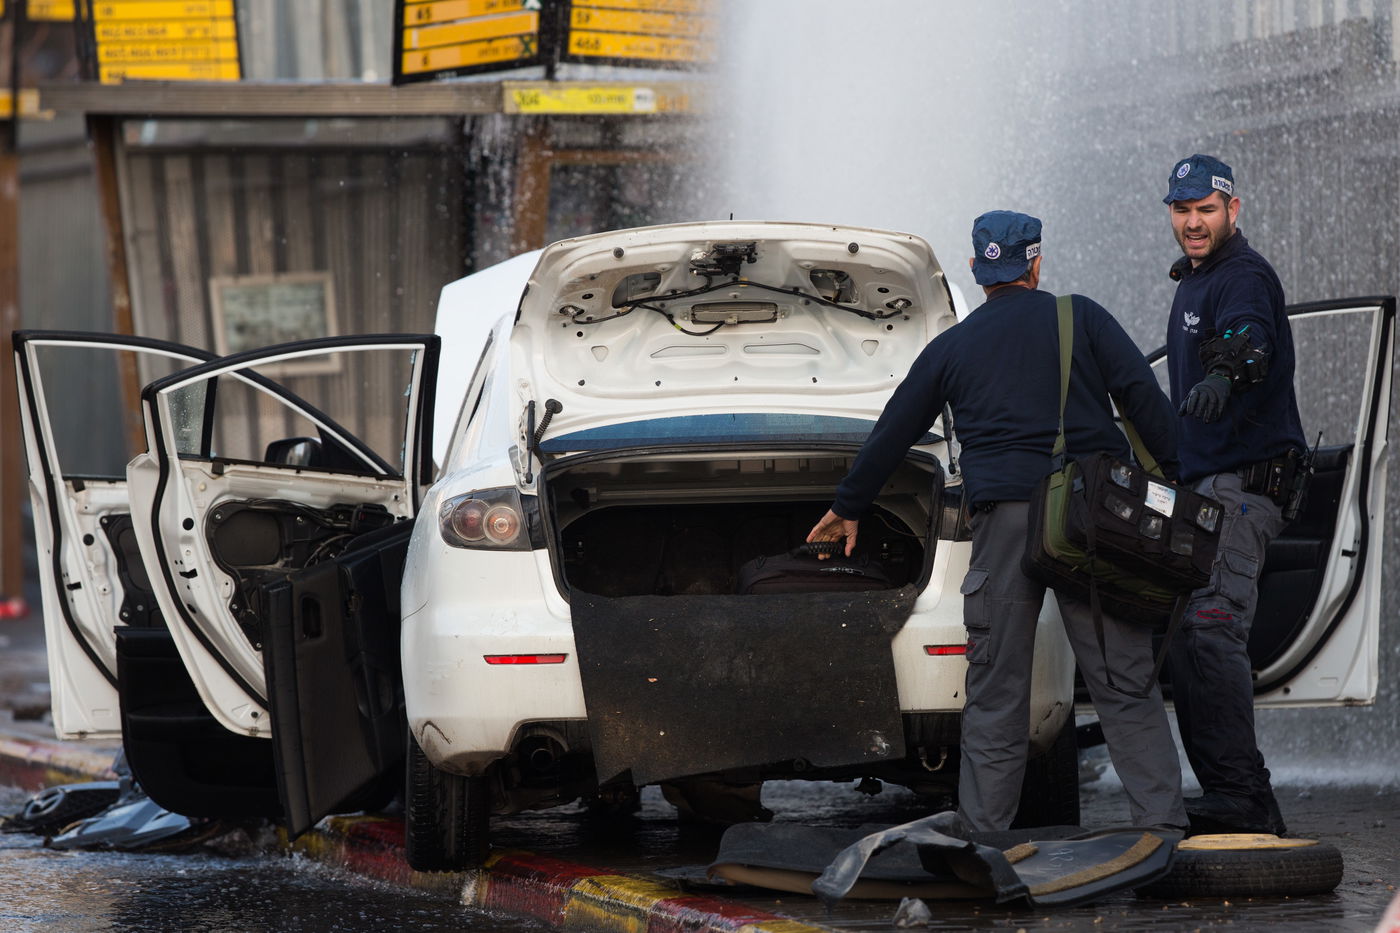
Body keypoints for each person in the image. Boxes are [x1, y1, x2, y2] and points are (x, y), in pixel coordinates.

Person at [807, 211, 1187, 833]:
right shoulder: (1080, 316)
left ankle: (983, 836)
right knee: (1121, 678)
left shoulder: (952, 346)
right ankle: (1161, 829)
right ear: (1036, 264)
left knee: (995, 690)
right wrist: (1176, 480)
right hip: (1088, 520)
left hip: (1003, 523)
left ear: (977, 272)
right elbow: (1145, 400)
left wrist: (848, 506)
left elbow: (893, 432)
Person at [1162, 154, 1305, 836]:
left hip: (1242, 490)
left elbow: (1251, 335)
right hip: (1206, 492)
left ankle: (1244, 797)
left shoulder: (1241, 276)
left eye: (1206, 210)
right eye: (1183, 210)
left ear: (1233, 210)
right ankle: (1235, 794)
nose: (1194, 222)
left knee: (1212, 631)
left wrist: (1226, 374)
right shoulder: (1194, 282)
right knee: (1188, 642)